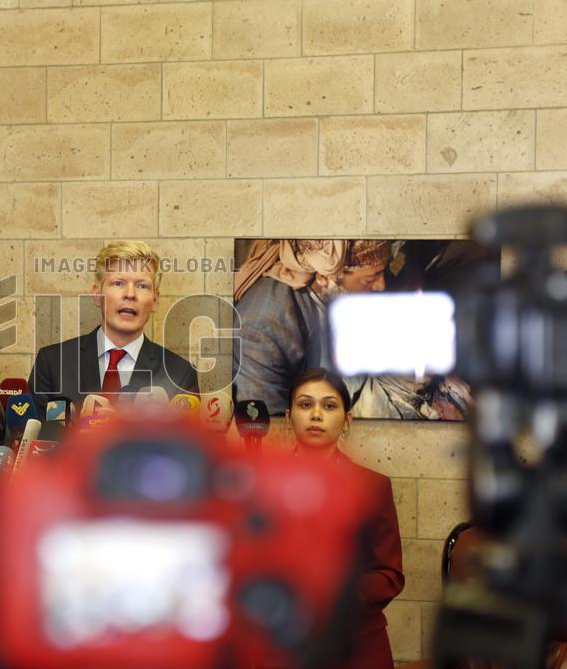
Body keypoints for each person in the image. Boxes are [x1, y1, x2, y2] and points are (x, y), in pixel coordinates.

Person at [285, 368, 404, 669]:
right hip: (284, 638)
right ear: (289, 416)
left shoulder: (373, 487)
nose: (316, 415)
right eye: (305, 404)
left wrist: (338, 600)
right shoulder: (261, 484)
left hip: (357, 642)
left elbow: (389, 574)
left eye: (329, 406)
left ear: (347, 419)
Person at [29, 241, 199, 408]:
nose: (130, 294)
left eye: (142, 286)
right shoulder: (52, 363)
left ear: (155, 300)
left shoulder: (179, 375)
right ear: (97, 295)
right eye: (118, 283)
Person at [233, 239, 393, 415]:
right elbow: (268, 432)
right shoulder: (262, 330)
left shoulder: (337, 296)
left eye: (384, 273)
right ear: (325, 277)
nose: (382, 286)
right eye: (370, 279)